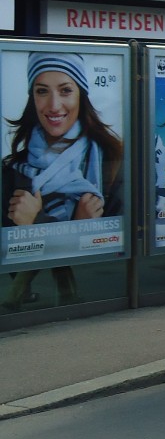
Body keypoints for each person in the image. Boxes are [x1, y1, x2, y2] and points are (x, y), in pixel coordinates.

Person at [3, 52, 123, 310]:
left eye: (66, 90)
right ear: (32, 97)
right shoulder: (13, 168)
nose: (54, 105)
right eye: (42, 91)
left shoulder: (111, 160)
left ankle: (19, 295)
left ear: (81, 95)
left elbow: (120, 239)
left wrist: (78, 229)